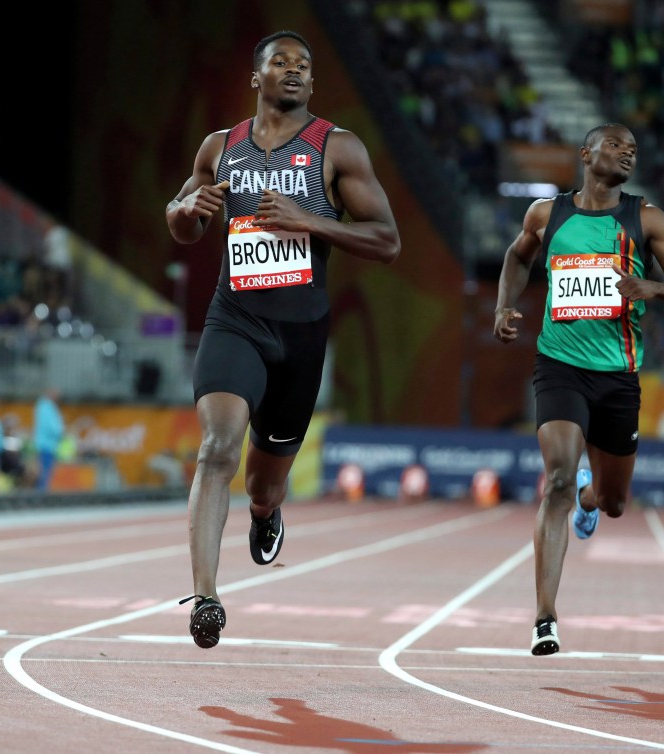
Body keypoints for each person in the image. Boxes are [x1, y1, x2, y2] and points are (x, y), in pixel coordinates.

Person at [165, 31, 401, 648]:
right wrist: (188, 214)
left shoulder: (337, 148)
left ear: (313, 84)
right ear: (257, 76)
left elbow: (387, 240)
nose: (293, 70)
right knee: (218, 446)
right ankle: (207, 598)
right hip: (234, 320)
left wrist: (308, 220)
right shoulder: (221, 147)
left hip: (299, 336)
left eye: (304, 65)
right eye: (280, 62)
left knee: (264, 482)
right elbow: (181, 219)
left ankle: (265, 514)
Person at [493, 123, 664, 656]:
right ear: (586, 154)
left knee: (612, 502)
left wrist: (652, 286)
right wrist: (504, 305)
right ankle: (545, 617)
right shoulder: (548, 214)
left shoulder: (646, 218)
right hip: (559, 365)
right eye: (616, 144)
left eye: (634, 147)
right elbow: (518, 257)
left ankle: (591, 496)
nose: (628, 151)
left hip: (618, 376)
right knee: (556, 481)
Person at [32, 386, 65, 491]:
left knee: (45, 471)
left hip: (46, 444)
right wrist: (60, 431)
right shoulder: (46, 407)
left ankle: (42, 491)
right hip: (46, 444)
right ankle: (41, 492)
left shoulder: (44, 407)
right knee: (45, 471)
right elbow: (52, 427)